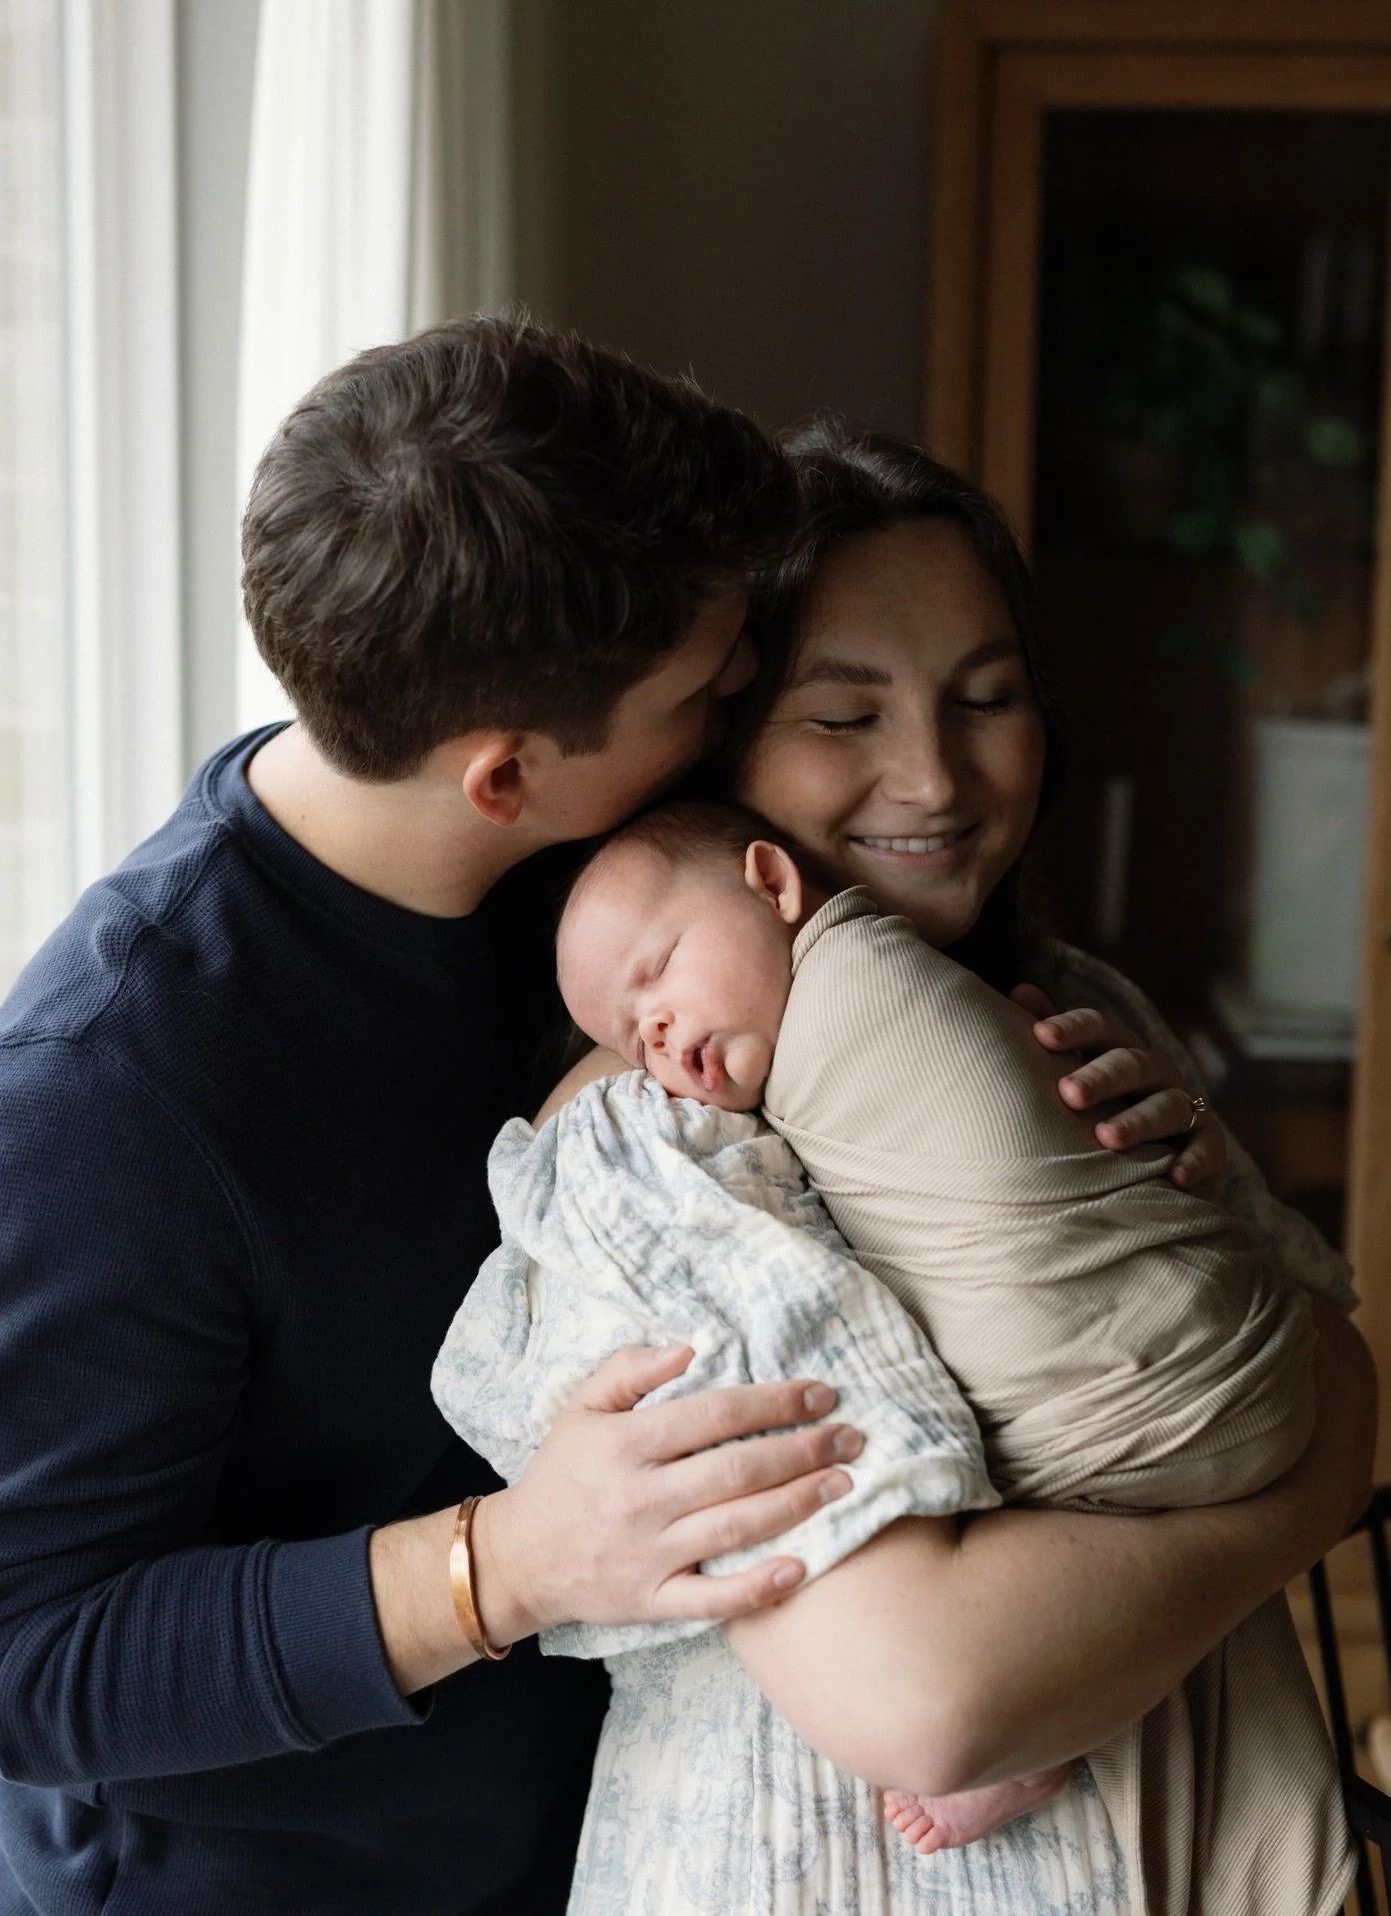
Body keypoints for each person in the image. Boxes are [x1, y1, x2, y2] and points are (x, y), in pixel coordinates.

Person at [0, 319, 877, 1916]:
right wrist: (507, 1565)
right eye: (698, 687)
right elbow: (25, 1661)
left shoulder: (595, 888)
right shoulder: (97, 1102)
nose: (739, 695)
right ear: (504, 774)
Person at [511, 425, 1373, 1914]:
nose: (933, 774)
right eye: (842, 716)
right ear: (723, 763)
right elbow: (929, 1696)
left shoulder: (1073, 1008)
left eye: (988, 698)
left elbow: (1351, 1381)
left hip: (1200, 1829)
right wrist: (1273, 1489)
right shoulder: (653, 1134)